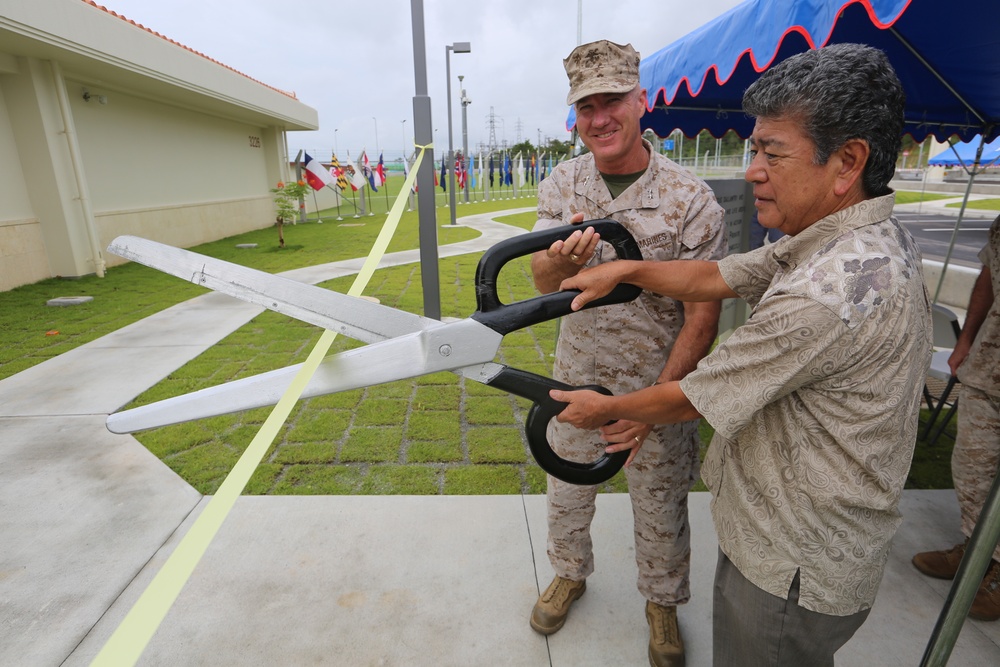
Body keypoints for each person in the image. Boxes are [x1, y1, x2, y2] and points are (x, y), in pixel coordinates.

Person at [548, 43, 932, 666]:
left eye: (771, 153)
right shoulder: (842, 239)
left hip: (791, 562)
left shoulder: (827, 291)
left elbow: (692, 397)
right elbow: (720, 276)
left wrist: (608, 410)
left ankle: (662, 603)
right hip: (788, 537)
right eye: (755, 150)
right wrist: (622, 270)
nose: (753, 170)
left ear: (847, 162)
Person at [528, 39, 727, 667]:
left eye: (612, 99)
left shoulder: (689, 199)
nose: (600, 117)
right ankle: (568, 571)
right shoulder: (563, 182)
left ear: (641, 100)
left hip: (657, 385)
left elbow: (704, 316)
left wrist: (652, 408)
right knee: (566, 487)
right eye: (586, 106)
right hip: (576, 376)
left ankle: (662, 604)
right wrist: (555, 263)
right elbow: (538, 282)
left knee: (662, 503)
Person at [912, 213, 1000, 620]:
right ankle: (976, 548)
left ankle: (996, 572)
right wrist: (965, 339)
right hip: (990, 367)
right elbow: (989, 274)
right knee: (973, 468)